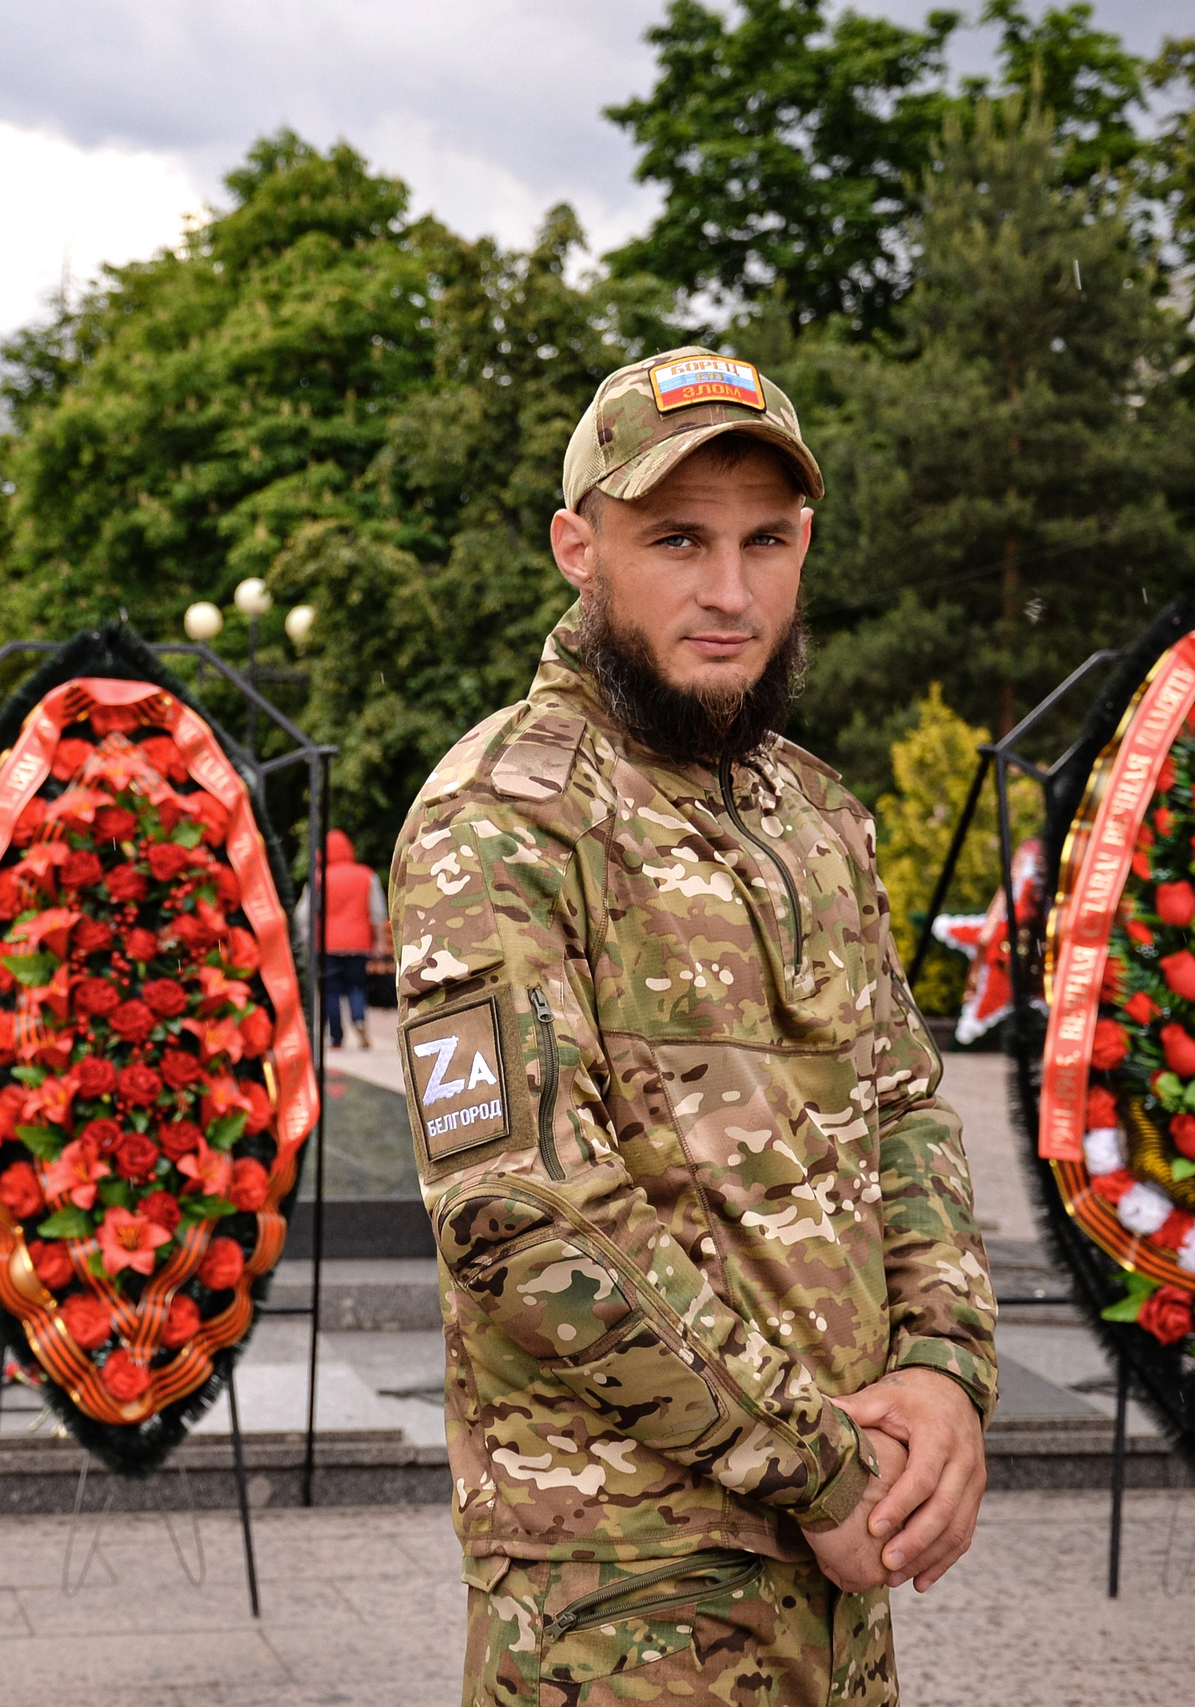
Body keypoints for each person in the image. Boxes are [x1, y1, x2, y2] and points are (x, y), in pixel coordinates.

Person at [390, 349, 997, 1705]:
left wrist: (946, 1371)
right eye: (677, 538)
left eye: (764, 540)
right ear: (577, 546)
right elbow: (518, 1208)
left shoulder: (819, 814)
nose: (730, 591)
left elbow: (905, 1112)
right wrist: (817, 1461)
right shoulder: (499, 819)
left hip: (841, 1594)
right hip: (623, 1599)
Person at [294, 829, 387, 1048]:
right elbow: (377, 911)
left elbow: (302, 914)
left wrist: (307, 941)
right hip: (358, 943)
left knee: (330, 990)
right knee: (357, 986)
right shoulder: (366, 875)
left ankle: (337, 1037)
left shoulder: (318, 878)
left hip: (327, 945)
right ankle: (359, 1019)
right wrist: (379, 941)